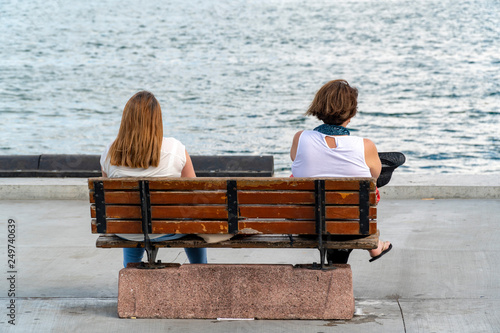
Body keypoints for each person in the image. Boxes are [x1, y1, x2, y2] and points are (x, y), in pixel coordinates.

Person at [100, 91, 207, 267]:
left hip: (126, 230)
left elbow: (107, 197)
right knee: (191, 221)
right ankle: (201, 269)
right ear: (157, 120)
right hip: (169, 228)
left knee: (134, 220)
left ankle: (130, 271)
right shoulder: (175, 148)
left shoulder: (109, 152)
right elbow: (195, 194)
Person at [290, 79, 392, 263]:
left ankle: (372, 245)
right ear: (351, 114)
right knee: (368, 187)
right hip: (353, 226)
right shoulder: (365, 145)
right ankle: (374, 243)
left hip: (306, 227)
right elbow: (375, 177)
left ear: (318, 108)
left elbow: (295, 160)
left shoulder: (300, 138)